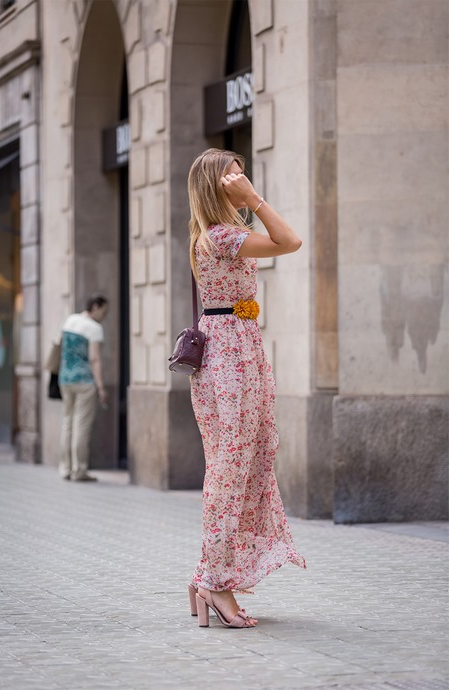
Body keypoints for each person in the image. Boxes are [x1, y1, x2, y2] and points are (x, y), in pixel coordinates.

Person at [187, 148, 306, 629]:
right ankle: (216, 584)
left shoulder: (220, 235)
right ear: (217, 185)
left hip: (240, 349)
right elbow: (291, 241)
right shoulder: (220, 237)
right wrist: (254, 199)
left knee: (240, 464)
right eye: (232, 173)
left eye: (243, 171)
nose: (241, 176)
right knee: (229, 469)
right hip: (229, 356)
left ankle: (206, 579)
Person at [58, 294, 108, 481]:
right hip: (84, 381)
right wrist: (101, 387)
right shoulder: (95, 329)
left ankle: (65, 468)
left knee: (67, 424)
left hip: (65, 378)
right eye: (104, 311)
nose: (104, 316)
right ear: (95, 307)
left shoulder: (70, 320)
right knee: (81, 426)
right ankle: (79, 469)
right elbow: (95, 359)